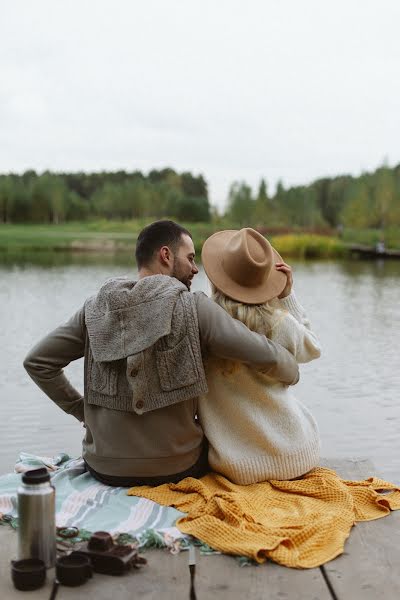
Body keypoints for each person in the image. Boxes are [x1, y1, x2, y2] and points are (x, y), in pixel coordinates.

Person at [23, 220, 299, 487]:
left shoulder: (95, 309)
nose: (195, 269)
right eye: (190, 258)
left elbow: (37, 362)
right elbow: (264, 354)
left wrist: (81, 410)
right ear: (166, 255)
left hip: (103, 467)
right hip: (177, 467)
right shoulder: (195, 308)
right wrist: (292, 371)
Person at [199, 227, 321, 484]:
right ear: (264, 279)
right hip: (297, 456)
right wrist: (288, 297)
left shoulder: (204, 326)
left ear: (218, 276)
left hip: (237, 467)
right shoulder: (279, 323)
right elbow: (312, 348)